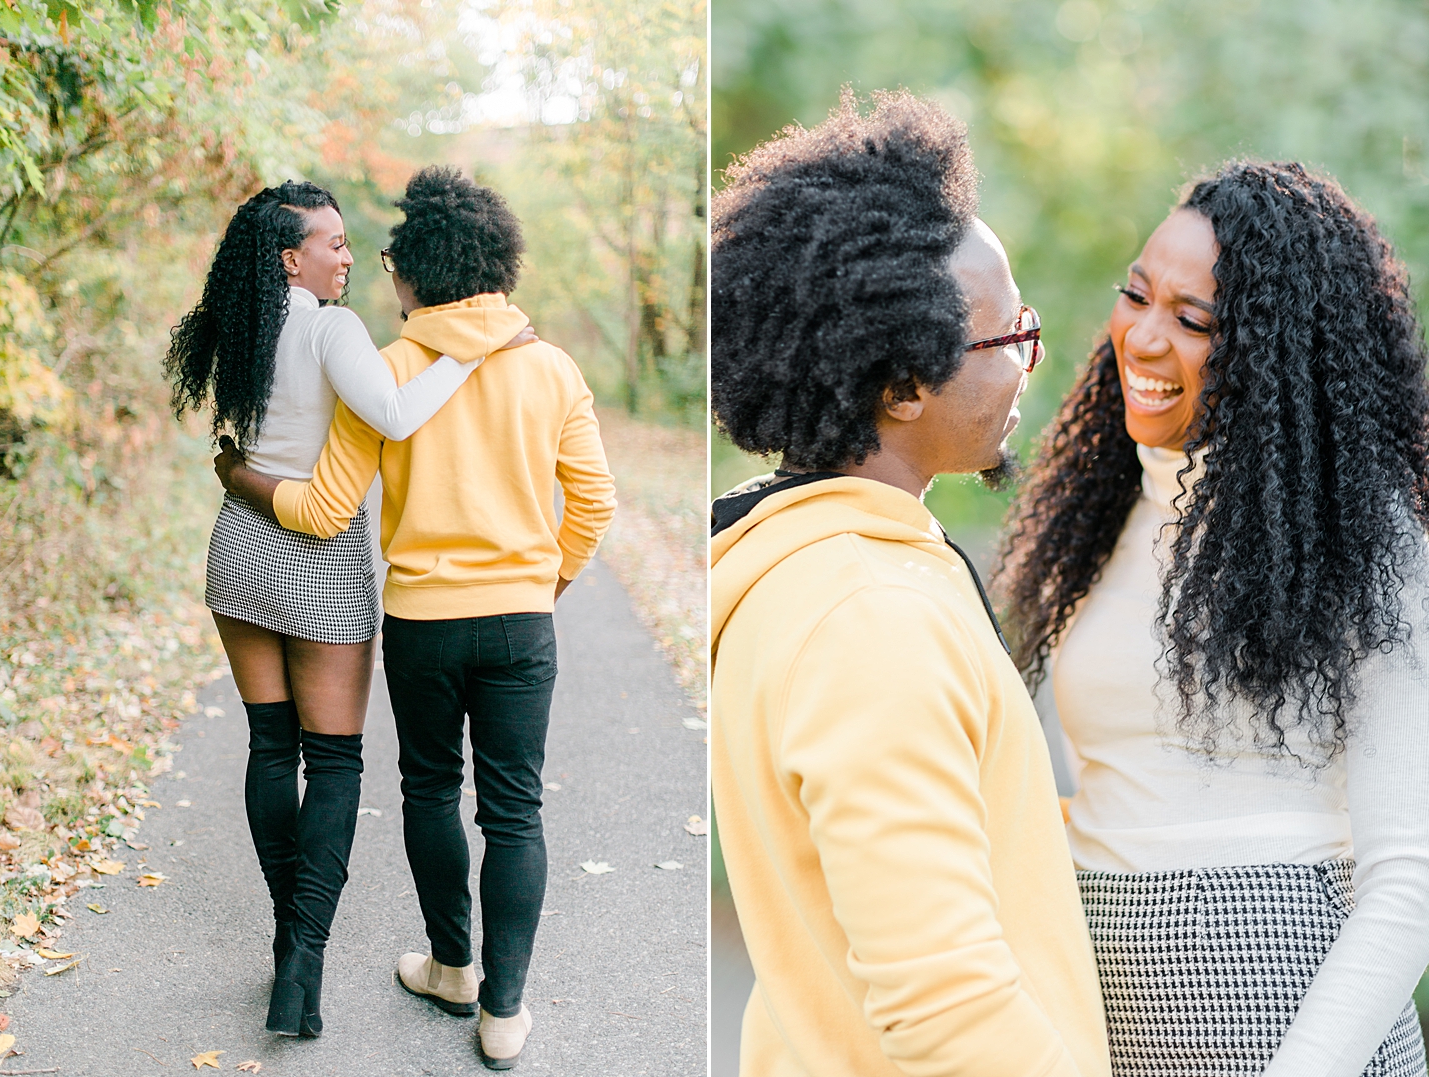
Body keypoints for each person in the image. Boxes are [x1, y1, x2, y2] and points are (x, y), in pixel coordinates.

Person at [997, 160, 1429, 1077]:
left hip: (1295, 1030)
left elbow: (1410, 885)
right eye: (1136, 295)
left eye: (1194, 322)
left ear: (1280, 351)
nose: (1144, 339)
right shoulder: (1098, 513)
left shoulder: (1364, 535)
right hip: (1107, 1020)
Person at [709, 90, 1110, 1077]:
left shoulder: (810, 562)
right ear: (900, 386)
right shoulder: (869, 619)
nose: (1029, 361)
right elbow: (946, 1009)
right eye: (1006, 337)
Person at [215, 165, 616, 1070]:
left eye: (388, 259)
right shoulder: (550, 367)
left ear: (417, 276)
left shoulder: (389, 369)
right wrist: (543, 583)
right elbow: (593, 502)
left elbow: (323, 509)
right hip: (520, 619)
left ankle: (451, 965)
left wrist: (241, 475)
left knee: (431, 788)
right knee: (514, 809)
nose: (378, 272)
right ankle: (504, 1014)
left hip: (423, 621)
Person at [164, 180, 532, 1037]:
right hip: (318, 557)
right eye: (331, 242)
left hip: (240, 546)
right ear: (291, 256)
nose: (347, 255)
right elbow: (397, 414)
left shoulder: (244, 322)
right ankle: (303, 962)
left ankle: (292, 943)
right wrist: (476, 351)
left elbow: (246, 444)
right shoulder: (332, 328)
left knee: (268, 744)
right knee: (332, 764)